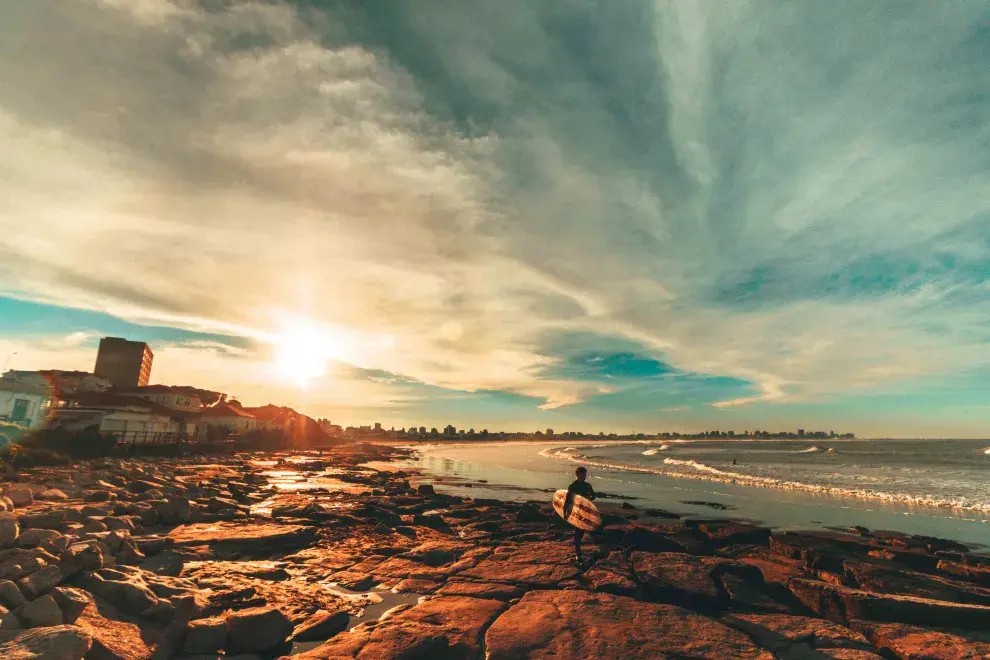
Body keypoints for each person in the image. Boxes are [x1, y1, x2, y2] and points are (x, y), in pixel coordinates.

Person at [564, 466, 597, 562]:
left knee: (592, 531)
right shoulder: (572, 486)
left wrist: (587, 500)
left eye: (586, 474)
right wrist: (566, 513)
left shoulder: (587, 486)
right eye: (583, 474)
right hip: (577, 512)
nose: (585, 476)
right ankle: (578, 554)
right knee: (578, 533)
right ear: (578, 475)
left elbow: (593, 496)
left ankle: (595, 550)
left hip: (587, 511)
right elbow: (568, 500)